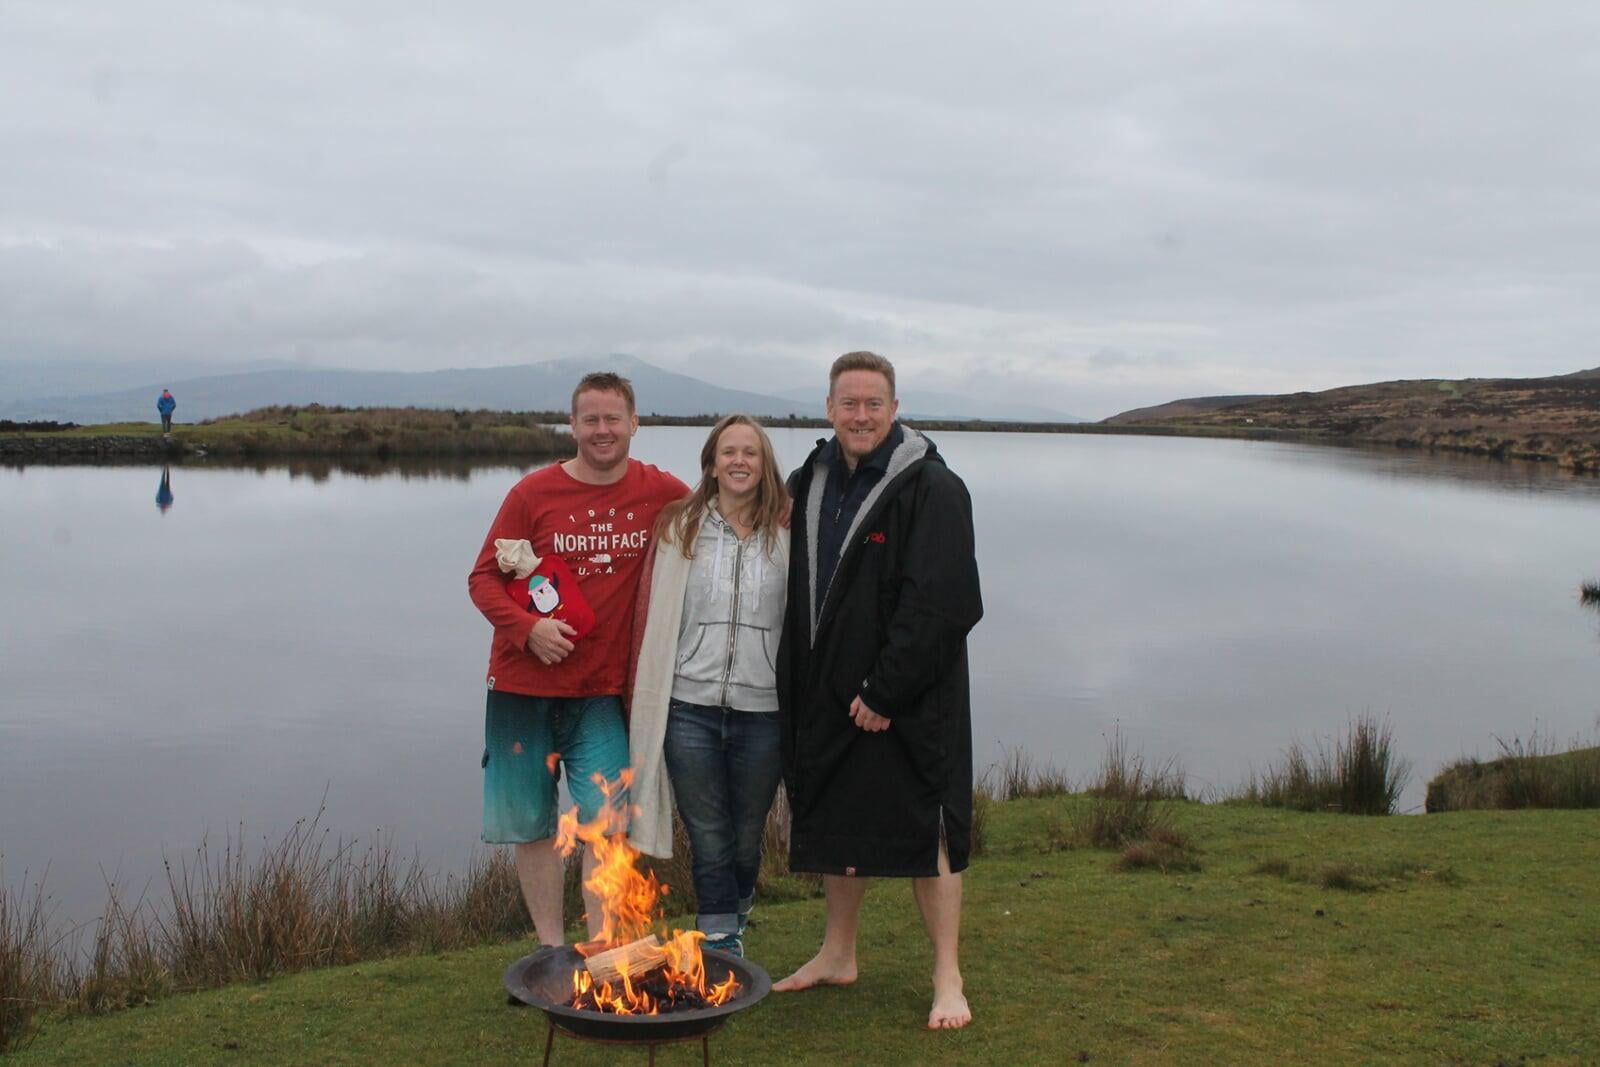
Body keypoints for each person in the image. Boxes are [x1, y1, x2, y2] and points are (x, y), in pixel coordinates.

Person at [772, 351, 983, 1030]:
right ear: (829, 408)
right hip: (830, 693)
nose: (860, 415)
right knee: (837, 816)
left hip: (911, 699)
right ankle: (838, 952)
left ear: (894, 409)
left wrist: (888, 691)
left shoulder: (934, 487)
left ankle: (947, 974)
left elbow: (945, 601)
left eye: (873, 404)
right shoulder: (811, 478)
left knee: (933, 828)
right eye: (848, 403)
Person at [467, 372, 688, 946]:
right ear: (573, 426)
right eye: (590, 419)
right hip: (522, 690)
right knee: (532, 826)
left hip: (599, 696)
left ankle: (600, 949)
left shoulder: (660, 490)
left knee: (608, 826)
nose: (602, 430)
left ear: (635, 424)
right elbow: (483, 580)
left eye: (613, 418)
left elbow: (723, 514)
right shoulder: (532, 494)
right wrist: (529, 628)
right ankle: (550, 948)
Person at [627, 416, 790, 958]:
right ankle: (720, 939)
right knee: (708, 833)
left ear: (765, 464)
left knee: (747, 834)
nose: (739, 461)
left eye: (750, 452)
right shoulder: (679, 527)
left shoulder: (789, 532)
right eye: (728, 452)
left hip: (763, 710)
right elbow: (652, 612)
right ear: (711, 463)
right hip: (688, 707)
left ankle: (735, 911)